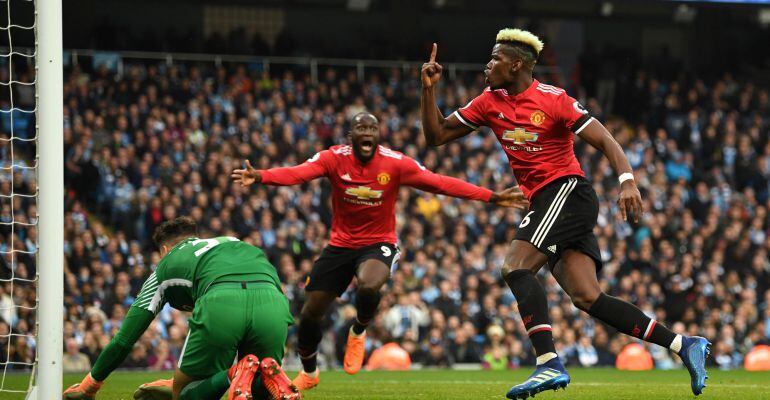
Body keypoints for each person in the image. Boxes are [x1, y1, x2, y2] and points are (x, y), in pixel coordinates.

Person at [419, 28, 710, 399]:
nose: (487, 65)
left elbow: (606, 140)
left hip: (567, 191)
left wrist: (627, 180)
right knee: (588, 297)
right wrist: (428, 90)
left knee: (515, 266)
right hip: (546, 201)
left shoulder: (554, 100)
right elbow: (436, 135)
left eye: (495, 59)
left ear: (517, 64)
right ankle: (683, 344)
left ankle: (547, 363)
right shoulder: (489, 101)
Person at [232, 111, 528, 392]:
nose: (367, 133)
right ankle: (309, 372)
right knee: (310, 315)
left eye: (372, 129)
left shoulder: (395, 163)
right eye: (361, 128)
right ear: (351, 135)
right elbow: (299, 173)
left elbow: (440, 183)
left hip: (378, 243)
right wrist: (262, 176)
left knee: (370, 284)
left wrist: (492, 197)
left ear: (378, 135)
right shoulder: (333, 158)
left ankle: (359, 329)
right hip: (340, 245)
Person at [63, 217, 299, 400]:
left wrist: (89, 386)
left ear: (164, 251)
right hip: (274, 302)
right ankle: (264, 373)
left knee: (184, 395)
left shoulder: (164, 266)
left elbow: (124, 340)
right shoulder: (231, 241)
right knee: (261, 386)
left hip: (221, 302)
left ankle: (234, 372)